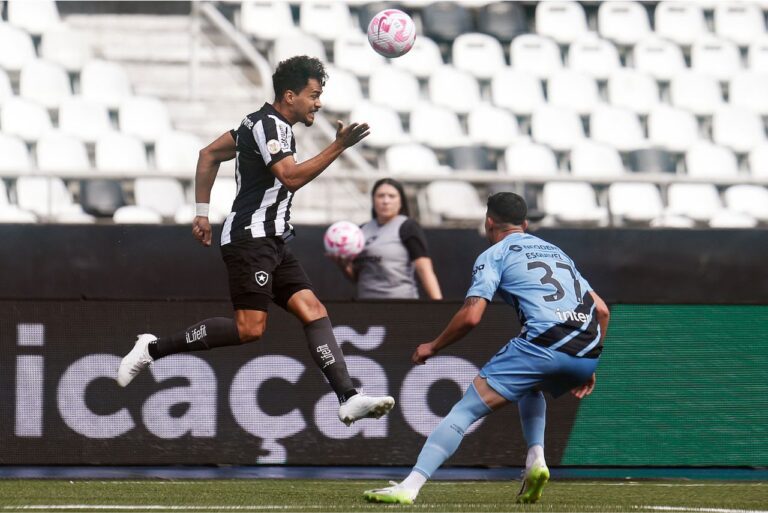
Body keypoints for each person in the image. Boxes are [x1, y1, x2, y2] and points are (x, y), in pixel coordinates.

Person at [117, 55, 395, 426]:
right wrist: (338, 146)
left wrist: (201, 211)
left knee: (314, 311)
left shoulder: (257, 123)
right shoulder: (270, 125)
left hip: (274, 240)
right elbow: (290, 177)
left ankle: (349, 397)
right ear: (290, 94)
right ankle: (152, 348)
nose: (319, 103)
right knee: (250, 329)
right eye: (314, 95)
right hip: (251, 240)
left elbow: (209, 154)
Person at [363, 192, 610, 504]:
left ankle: (408, 487)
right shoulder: (557, 252)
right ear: (525, 223)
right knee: (530, 386)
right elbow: (601, 310)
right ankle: (536, 457)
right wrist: (591, 361)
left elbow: (472, 316)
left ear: (488, 222)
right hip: (585, 349)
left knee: (465, 410)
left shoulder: (495, 253)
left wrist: (433, 346)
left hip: (543, 344)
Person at [330, 178, 442, 300]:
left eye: (391, 196)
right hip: (365, 306)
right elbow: (358, 277)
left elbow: (424, 270)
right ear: (373, 200)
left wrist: (438, 306)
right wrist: (343, 265)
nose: (386, 201)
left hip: (401, 305)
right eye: (380, 196)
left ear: (401, 201)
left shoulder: (408, 226)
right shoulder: (361, 230)